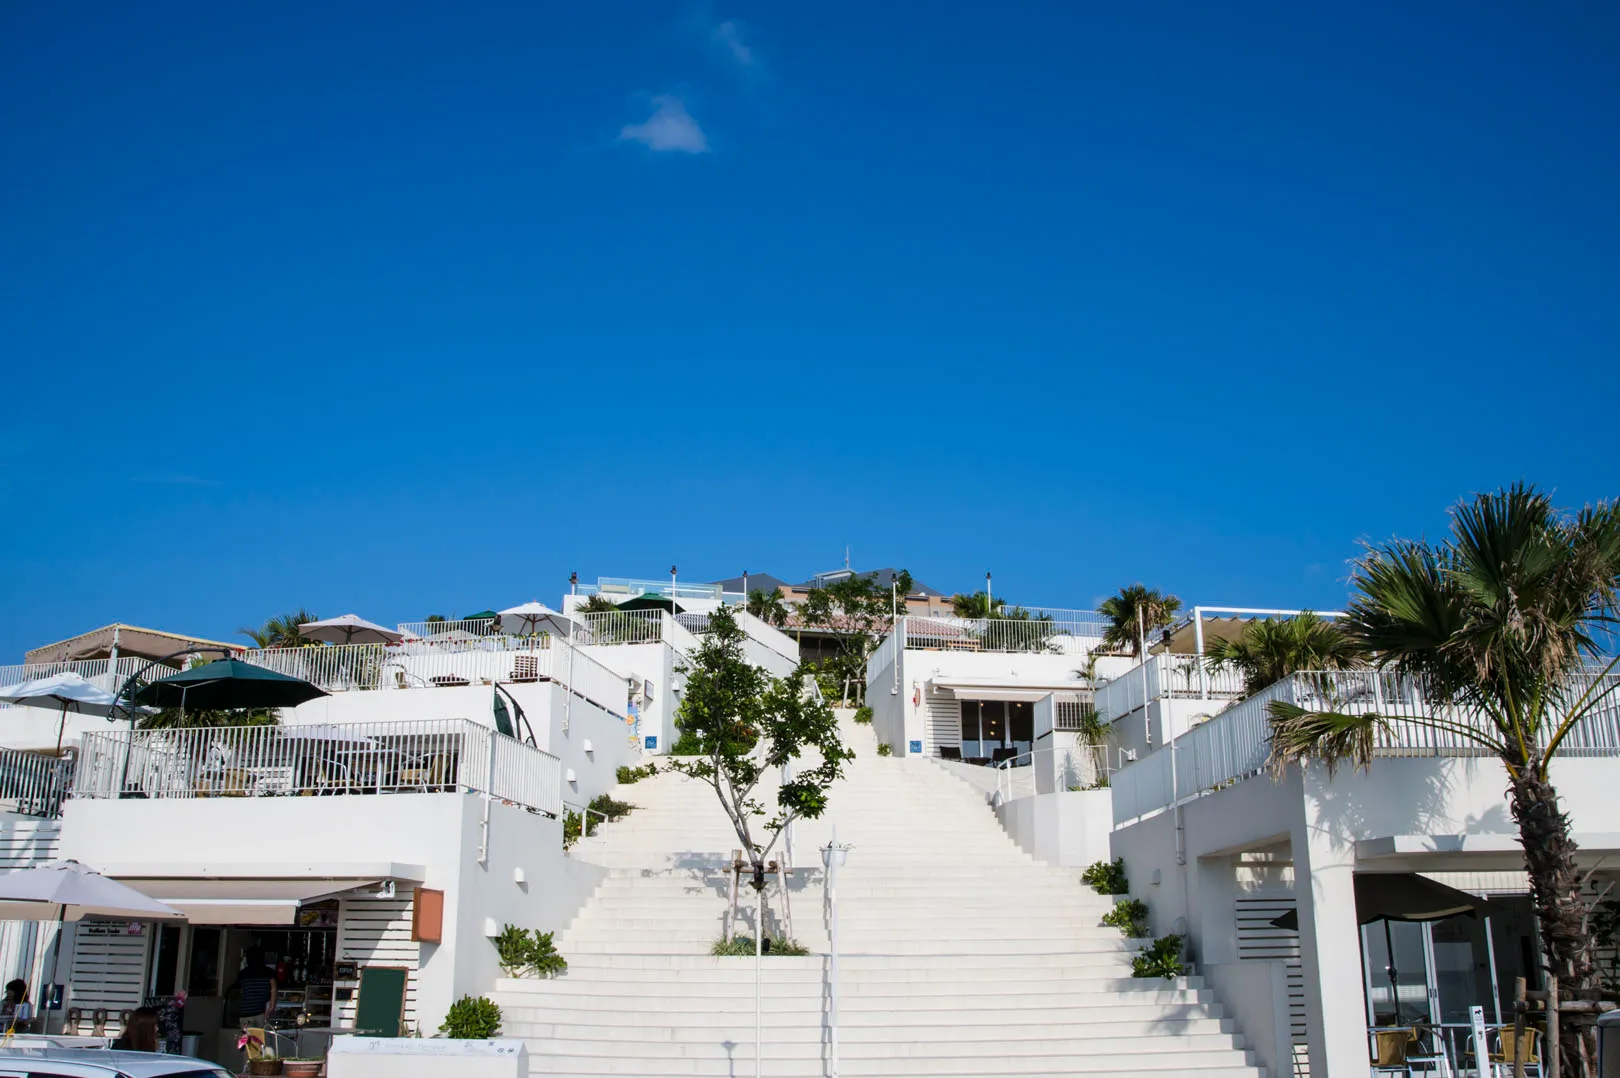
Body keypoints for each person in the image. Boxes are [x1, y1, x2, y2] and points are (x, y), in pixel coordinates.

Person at [234, 948, 278, 1029]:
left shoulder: (243, 974)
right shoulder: (268, 972)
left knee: (248, 1039)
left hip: (245, 1012)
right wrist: (271, 1006)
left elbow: (240, 991)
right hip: (260, 1012)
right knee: (260, 1038)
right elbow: (274, 989)